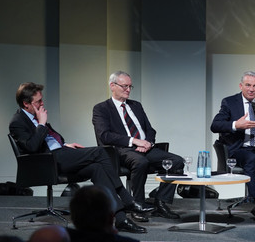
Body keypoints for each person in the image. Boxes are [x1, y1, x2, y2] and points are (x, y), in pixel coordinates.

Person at [8, 82, 152, 234]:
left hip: (60, 154)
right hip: (47, 163)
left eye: (41, 99)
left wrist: (65, 144)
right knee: (100, 152)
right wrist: (42, 123)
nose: (42, 103)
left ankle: (121, 218)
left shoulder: (34, 116)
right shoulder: (17, 122)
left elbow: (50, 140)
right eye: (38, 101)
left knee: (97, 168)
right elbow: (32, 147)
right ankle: (127, 199)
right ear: (26, 103)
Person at [92, 71, 184, 222]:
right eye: (124, 86)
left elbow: (150, 130)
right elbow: (104, 136)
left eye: (130, 86)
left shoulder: (136, 106)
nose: (128, 89)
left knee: (177, 161)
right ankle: (137, 205)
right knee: (140, 162)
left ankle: (161, 203)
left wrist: (147, 143)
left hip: (145, 148)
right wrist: (134, 141)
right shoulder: (101, 108)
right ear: (112, 86)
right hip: (120, 150)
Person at [210, 71, 255, 222]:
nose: (251, 89)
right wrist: (236, 125)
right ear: (241, 86)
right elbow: (215, 125)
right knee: (251, 158)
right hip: (238, 149)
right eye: (248, 85)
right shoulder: (229, 102)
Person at [67, 185, 140, 242]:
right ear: (111, 218)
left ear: (73, 217)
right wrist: (113, 237)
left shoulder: (61, 237)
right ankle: (129, 201)